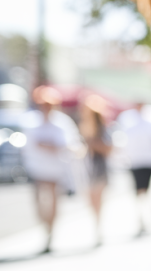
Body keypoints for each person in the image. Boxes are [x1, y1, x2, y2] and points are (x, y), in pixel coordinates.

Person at [21, 87, 70, 254]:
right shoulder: (31, 121)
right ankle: (45, 229)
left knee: (54, 201)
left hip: (55, 170)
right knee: (40, 202)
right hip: (37, 169)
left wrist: (49, 146)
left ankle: (51, 232)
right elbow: (29, 145)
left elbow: (66, 145)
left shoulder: (61, 122)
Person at [120, 103, 151, 235]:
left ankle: (150, 220)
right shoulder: (128, 119)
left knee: (148, 191)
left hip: (149, 160)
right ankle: (141, 219)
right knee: (139, 192)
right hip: (135, 161)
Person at [79, 95, 112, 245]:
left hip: (99, 166)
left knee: (98, 198)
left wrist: (93, 143)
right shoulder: (84, 127)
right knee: (90, 199)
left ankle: (99, 228)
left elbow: (108, 148)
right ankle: (96, 226)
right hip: (87, 166)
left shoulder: (103, 129)